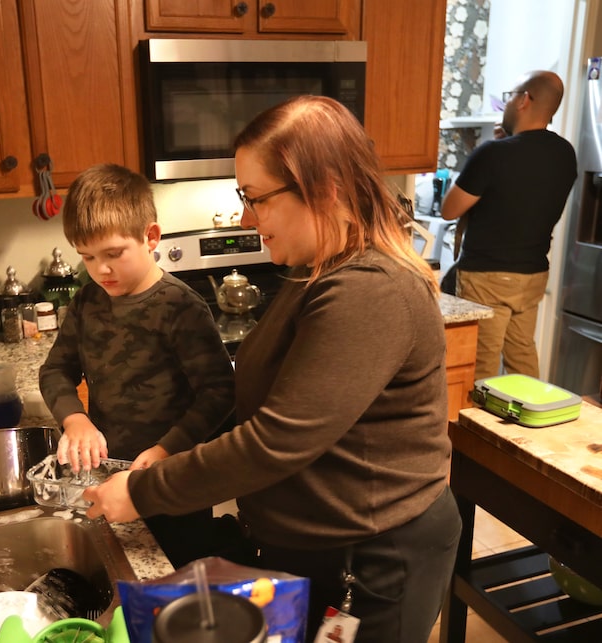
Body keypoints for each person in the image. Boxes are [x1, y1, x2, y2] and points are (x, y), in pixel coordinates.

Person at [82, 96, 462, 643]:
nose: (245, 217)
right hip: (316, 546)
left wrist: (144, 491)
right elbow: (256, 398)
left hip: (374, 560)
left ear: (325, 189)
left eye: (256, 198)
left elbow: (276, 441)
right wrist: (174, 446)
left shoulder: (369, 291)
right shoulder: (315, 272)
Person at [38, 163, 236, 568]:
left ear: (151, 237)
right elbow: (55, 370)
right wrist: (75, 420)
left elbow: (220, 392)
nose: (100, 269)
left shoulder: (180, 308)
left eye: (113, 254)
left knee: (179, 575)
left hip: (174, 481)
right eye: (88, 257)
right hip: (109, 476)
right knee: (125, 568)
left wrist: (167, 449)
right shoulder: (87, 303)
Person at [441, 70, 577, 380]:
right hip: (532, 276)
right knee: (521, 357)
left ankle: (473, 428)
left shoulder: (491, 154)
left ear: (525, 99)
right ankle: (526, 427)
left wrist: (485, 153)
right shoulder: (565, 154)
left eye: (511, 95)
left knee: (480, 367)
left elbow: (450, 209)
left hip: (487, 276)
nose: (508, 103)